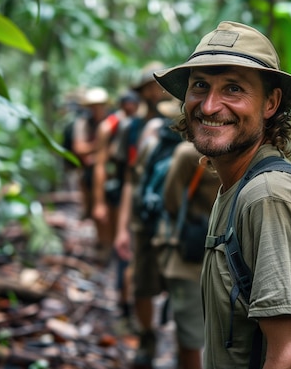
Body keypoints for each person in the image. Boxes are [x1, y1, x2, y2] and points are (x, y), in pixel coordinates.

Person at [153, 21, 291, 369]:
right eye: (200, 86)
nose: (209, 106)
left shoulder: (270, 197)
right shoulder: (237, 187)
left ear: (271, 103)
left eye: (233, 89)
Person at [113, 61, 174, 369]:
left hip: (180, 219)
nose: (157, 90)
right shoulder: (133, 127)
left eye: (162, 84)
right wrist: (122, 227)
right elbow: (129, 179)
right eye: (152, 85)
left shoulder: (186, 119)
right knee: (142, 281)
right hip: (144, 216)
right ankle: (148, 339)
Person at [153, 101, 219, 369]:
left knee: (191, 330)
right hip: (197, 252)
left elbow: (171, 201)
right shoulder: (189, 155)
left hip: (196, 250)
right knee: (193, 330)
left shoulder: (186, 153)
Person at [92, 90, 141, 264]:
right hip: (117, 180)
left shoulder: (142, 122)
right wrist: (99, 202)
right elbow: (100, 165)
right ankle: (109, 254)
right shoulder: (108, 127)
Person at [71, 86, 109, 221]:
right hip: (88, 170)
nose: (97, 109)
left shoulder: (111, 122)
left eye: (99, 106)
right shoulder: (83, 123)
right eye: (93, 106)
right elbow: (79, 148)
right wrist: (99, 146)